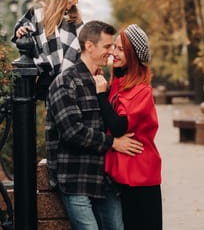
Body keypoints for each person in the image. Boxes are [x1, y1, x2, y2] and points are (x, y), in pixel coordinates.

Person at [46, 20, 144, 230]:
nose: (111, 52)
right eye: (107, 46)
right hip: (76, 179)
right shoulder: (65, 82)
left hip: (105, 180)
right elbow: (73, 131)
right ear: (89, 46)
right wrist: (113, 143)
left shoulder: (103, 84)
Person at [94, 24, 163, 230]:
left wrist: (101, 95)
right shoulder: (118, 83)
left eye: (120, 49)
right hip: (120, 175)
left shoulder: (142, 91)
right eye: (114, 47)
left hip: (141, 177)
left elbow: (117, 126)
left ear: (132, 54)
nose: (113, 53)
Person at [11, 0, 89, 100]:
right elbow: (23, 26)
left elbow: (82, 49)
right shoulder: (38, 11)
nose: (76, 2)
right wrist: (21, 30)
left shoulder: (75, 20)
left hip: (70, 82)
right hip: (46, 79)